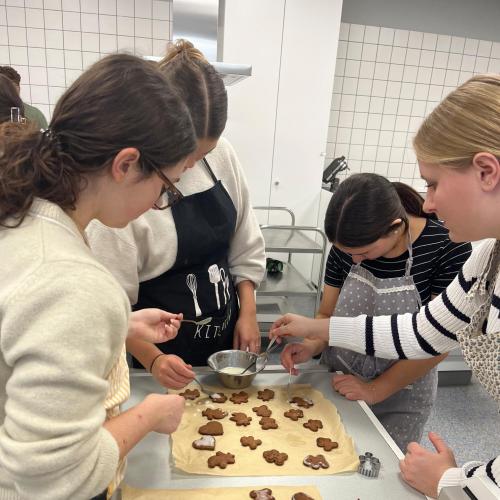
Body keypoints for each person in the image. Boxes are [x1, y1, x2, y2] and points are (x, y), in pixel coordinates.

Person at [271, 73, 500, 498]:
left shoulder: (450, 248)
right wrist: (318, 331)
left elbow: (428, 348)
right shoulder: (488, 259)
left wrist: (451, 482)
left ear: (487, 171)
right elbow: (421, 333)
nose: (428, 202)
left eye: (433, 183)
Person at [0, 53, 197, 500]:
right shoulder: (73, 280)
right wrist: (150, 415)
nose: (158, 204)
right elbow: (57, 478)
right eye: (164, 188)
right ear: (126, 164)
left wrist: (120, 326)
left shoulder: (20, 214)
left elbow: (22, 329)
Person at [87, 40, 266, 389]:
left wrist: (248, 311)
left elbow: (246, 243)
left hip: (223, 338)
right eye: (186, 156)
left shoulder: (223, 155)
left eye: (203, 155)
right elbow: (113, 312)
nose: (190, 167)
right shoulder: (126, 194)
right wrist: (153, 358)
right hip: (160, 351)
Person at [281, 173, 471, 451]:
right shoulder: (347, 246)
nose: (354, 259)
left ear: (395, 228)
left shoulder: (446, 248)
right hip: (339, 379)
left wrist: (375, 389)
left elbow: (437, 343)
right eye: (348, 253)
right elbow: (327, 315)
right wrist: (311, 345)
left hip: (402, 392)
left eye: (365, 253)